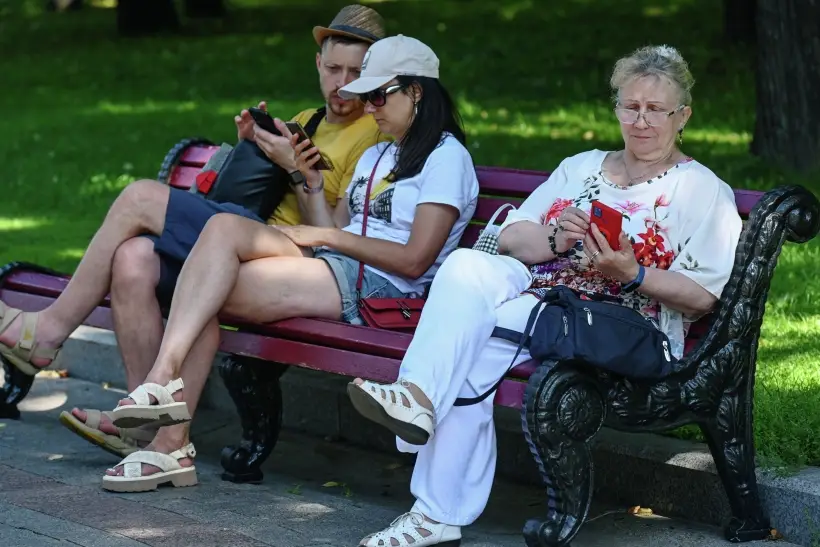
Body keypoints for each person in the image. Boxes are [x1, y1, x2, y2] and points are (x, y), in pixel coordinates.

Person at [344, 44, 743, 547]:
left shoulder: (702, 190)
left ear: (682, 116)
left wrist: (632, 271)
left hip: (621, 326)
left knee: (471, 350)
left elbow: (703, 297)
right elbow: (509, 237)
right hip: (540, 305)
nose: (641, 121)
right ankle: (424, 440)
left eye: (656, 109)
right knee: (467, 266)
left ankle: (429, 479)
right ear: (616, 107)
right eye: (630, 106)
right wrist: (558, 238)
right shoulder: (580, 168)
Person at [96, 34, 480, 493]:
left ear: (416, 91)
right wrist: (305, 177)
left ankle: (167, 424)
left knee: (206, 288)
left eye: (378, 94)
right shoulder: (380, 154)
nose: (370, 107)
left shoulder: (447, 159)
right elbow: (334, 225)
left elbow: (416, 260)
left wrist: (326, 236)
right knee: (218, 237)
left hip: (383, 290)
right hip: (338, 268)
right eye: (367, 97)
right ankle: (166, 421)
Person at [0, 4, 388, 456]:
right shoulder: (306, 120)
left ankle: (48, 332)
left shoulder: (374, 135)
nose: (341, 83)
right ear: (318, 64)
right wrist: (253, 148)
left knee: (140, 197)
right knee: (133, 261)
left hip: (296, 258)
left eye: (355, 73)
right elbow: (248, 193)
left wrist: (298, 172)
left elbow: (332, 237)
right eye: (333, 68)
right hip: (246, 234)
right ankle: (140, 420)